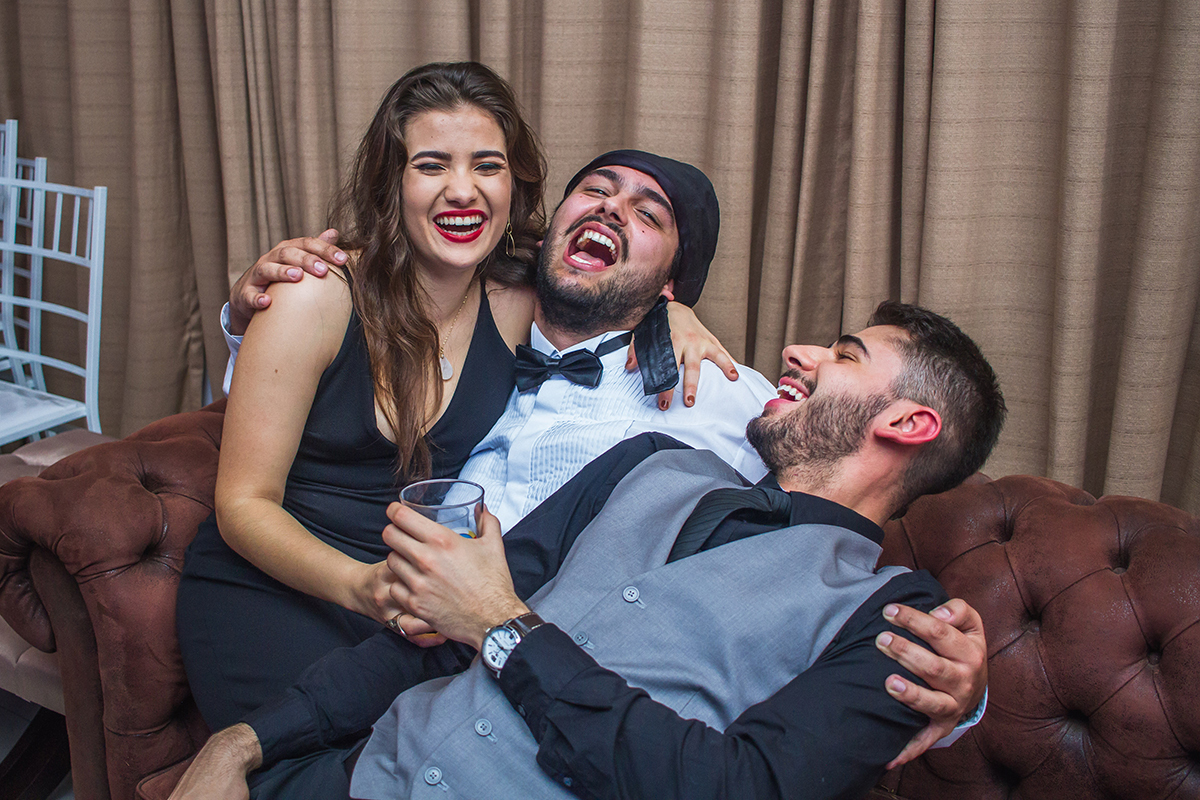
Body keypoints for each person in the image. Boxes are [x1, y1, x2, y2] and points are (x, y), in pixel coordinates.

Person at [169, 300, 1003, 800]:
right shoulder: (653, 461)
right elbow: (426, 642)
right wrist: (240, 744)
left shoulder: (905, 622)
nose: (801, 353)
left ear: (908, 423)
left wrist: (501, 624)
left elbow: (733, 788)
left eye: (844, 355)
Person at [177, 62, 731, 734]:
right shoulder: (314, 295)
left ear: (515, 184)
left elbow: (617, 289)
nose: (461, 191)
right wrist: (364, 586)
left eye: (487, 166)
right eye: (432, 165)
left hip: (414, 603)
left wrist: (672, 316)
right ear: (393, 183)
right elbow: (242, 504)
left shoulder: (520, 297)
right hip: (278, 585)